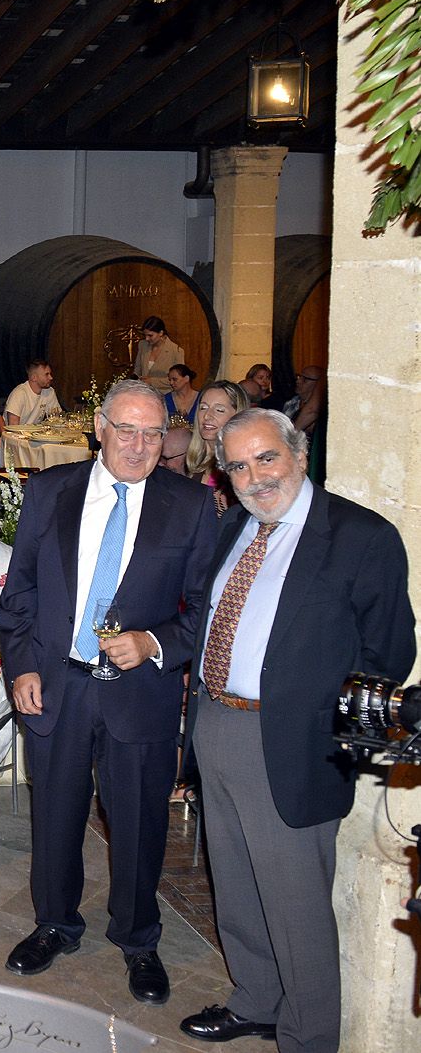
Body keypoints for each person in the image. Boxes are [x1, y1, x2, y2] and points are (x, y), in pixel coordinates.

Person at [179, 409, 414, 1051]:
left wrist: (324, 734)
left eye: (266, 459)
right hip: (218, 722)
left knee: (296, 905)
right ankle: (255, 999)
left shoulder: (361, 537)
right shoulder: (235, 525)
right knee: (235, 881)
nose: (255, 477)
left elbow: (389, 656)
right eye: (238, 465)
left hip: (291, 744)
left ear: (298, 454)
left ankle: (309, 1038)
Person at [0, 379, 218, 1005]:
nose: (139, 444)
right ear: (99, 427)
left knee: (141, 823)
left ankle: (139, 939)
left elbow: (205, 608)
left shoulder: (190, 505)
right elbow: (21, 596)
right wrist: (22, 667)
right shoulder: (48, 491)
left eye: (152, 433)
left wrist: (155, 643)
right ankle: (55, 923)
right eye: (127, 429)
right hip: (59, 681)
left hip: (139, 690)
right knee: (57, 815)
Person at [185, 380, 251, 514]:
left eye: (219, 410)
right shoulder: (196, 463)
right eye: (203, 407)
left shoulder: (240, 468)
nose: (207, 416)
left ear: (237, 416)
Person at [133, 316, 184, 392]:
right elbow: (137, 369)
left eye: (150, 335)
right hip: (144, 394)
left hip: (165, 395)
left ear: (161, 333)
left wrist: (151, 381)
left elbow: (178, 379)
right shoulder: (142, 345)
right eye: (145, 335)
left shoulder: (176, 351)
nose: (146, 338)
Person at [3, 359, 60, 426]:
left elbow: (57, 419)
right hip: (13, 435)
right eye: (46, 374)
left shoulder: (49, 391)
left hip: (34, 435)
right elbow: (13, 426)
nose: (51, 377)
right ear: (34, 377)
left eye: (50, 374)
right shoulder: (19, 393)